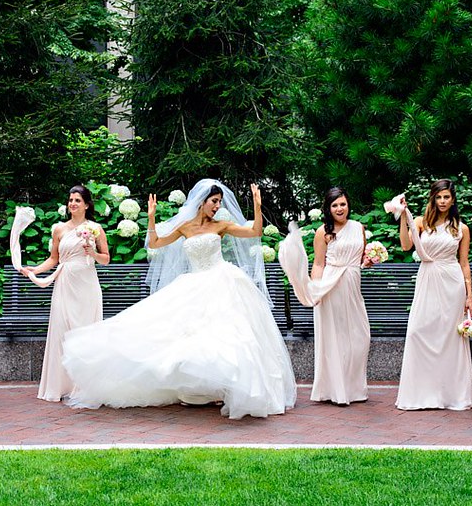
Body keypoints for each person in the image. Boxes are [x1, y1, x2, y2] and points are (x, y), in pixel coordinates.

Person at [61, 179, 296, 420]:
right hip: (194, 283)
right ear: (202, 202)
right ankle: (198, 391)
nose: (217, 206)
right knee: (182, 335)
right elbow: (156, 243)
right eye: (214, 202)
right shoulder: (185, 227)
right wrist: (151, 219)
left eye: (219, 202)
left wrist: (257, 207)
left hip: (223, 281)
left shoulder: (221, 225)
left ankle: (223, 389)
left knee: (226, 336)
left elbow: (254, 232)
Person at [279, 187, 371, 405]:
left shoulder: (359, 228)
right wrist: (316, 290)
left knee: (360, 337)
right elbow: (319, 263)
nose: (340, 208)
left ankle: (354, 388)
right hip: (331, 287)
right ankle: (336, 391)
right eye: (335, 205)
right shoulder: (323, 232)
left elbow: (358, 259)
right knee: (335, 339)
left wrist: (367, 262)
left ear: (348, 205)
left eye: (343, 204)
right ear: (328, 209)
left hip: (352, 287)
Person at [391, 179, 472, 410]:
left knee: (449, 337)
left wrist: (469, 295)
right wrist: (403, 217)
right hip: (428, 277)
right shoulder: (420, 222)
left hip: (452, 281)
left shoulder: (461, 228)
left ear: (453, 199)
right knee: (419, 330)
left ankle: (449, 395)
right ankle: (422, 394)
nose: (442, 201)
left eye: (446, 197)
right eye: (439, 197)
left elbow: (464, 263)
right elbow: (406, 246)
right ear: (433, 198)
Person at [20, 185, 107, 402]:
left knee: (85, 331)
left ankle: (85, 386)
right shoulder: (59, 229)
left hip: (87, 285)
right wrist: (35, 269)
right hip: (65, 283)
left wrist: (93, 253)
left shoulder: (95, 228)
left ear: (86, 205)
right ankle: (61, 386)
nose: (73, 204)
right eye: (70, 200)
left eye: (77, 200)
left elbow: (106, 258)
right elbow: (54, 259)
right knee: (62, 331)